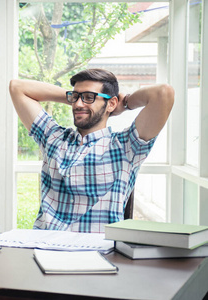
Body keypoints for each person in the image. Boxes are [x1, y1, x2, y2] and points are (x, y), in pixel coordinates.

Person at [9, 68, 174, 233]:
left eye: (89, 97)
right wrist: (75, 99)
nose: (79, 104)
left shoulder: (126, 146)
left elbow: (163, 93)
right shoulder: (54, 138)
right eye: (76, 97)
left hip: (97, 252)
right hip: (45, 246)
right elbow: (17, 87)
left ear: (111, 103)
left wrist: (124, 103)